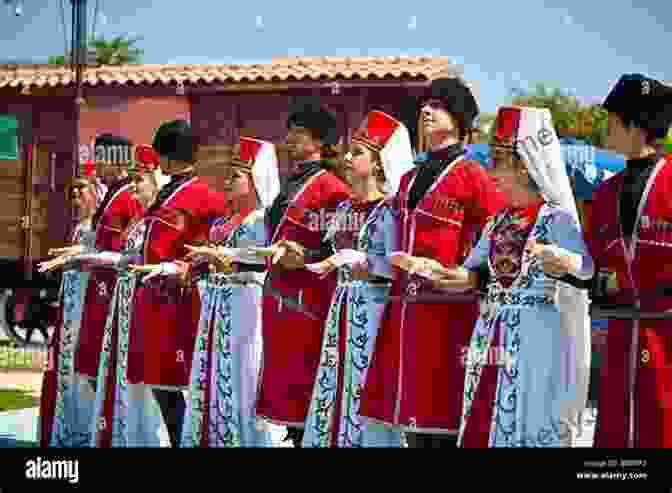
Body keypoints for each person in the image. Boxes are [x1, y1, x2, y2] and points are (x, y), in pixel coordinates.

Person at [429, 106, 594, 447]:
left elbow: (587, 268)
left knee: (530, 420)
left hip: (537, 339)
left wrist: (561, 259)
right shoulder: (497, 221)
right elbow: (473, 272)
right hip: (491, 332)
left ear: (523, 164)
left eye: (497, 160)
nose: (490, 170)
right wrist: (444, 274)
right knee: (485, 421)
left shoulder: (557, 217)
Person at [359, 77, 505, 447]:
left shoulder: (474, 176)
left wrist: (475, 275)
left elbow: (501, 236)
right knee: (409, 422)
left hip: (449, 314)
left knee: (443, 422)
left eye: (438, 105)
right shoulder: (407, 179)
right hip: (403, 312)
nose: (426, 110)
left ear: (459, 118)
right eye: (424, 104)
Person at [301, 110, 413, 447]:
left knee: (365, 387)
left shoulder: (390, 210)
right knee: (336, 384)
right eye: (349, 152)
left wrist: (364, 264)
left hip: (375, 313)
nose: (347, 158)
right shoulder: (344, 209)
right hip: (342, 307)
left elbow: (395, 265)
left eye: (358, 152)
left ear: (379, 163)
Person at [158, 136, 279, 447]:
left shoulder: (261, 220)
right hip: (217, 304)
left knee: (243, 373)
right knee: (214, 370)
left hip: (246, 305)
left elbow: (264, 259)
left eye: (236, 176)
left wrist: (225, 258)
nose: (227, 181)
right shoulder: (224, 220)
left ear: (254, 181)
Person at [125, 120, 229, 447]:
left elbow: (213, 247)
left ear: (168, 157)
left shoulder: (205, 197)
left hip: (179, 300)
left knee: (177, 384)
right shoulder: (167, 193)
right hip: (154, 298)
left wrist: (183, 267)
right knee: (161, 382)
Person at [255, 101, 352, 447]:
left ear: (320, 142)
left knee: (308, 380)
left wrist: (307, 257)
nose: (289, 140)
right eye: (289, 133)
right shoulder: (290, 183)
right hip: (280, 297)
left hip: (310, 300)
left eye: (299, 134)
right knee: (286, 383)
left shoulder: (332, 189)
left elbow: (339, 248)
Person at [588, 74, 672, 448]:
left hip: (664, 336)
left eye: (612, 120)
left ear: (635, 126)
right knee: (615, 435)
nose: (606, 128)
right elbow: (592, 260)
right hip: (619, 337)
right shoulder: (606, 192)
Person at [85, 144, 168, 447]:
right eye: (133, 183)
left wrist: (92, 258)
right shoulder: (140, 222)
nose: (134, 191)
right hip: (124, 300)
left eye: (140, 183)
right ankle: (125, 435)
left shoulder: (156, 222)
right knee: (121, 371)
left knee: (147, 379)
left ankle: (147, 438)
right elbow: (125, 258)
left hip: (143, 300)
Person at [73, 135, 144, 401]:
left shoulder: (130, 197)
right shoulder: (112, 194)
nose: (97, 165)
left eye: (102, 159)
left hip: (116, 290)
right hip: (100, 286)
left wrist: (90, 258)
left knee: (111, 362)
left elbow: (129, 251)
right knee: (93, 363)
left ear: (119, 161)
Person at [37, 162, 100, 447]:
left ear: (96, 193)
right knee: (66, 367)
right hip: (71, 301)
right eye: (73, 193)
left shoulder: (98, 225)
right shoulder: (78, 226)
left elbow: (93, 256)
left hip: (87, 301)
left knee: (81, 367)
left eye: (82, 191)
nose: (76, 197)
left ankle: (85, 432)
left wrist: (66, 259)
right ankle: (68, 430)